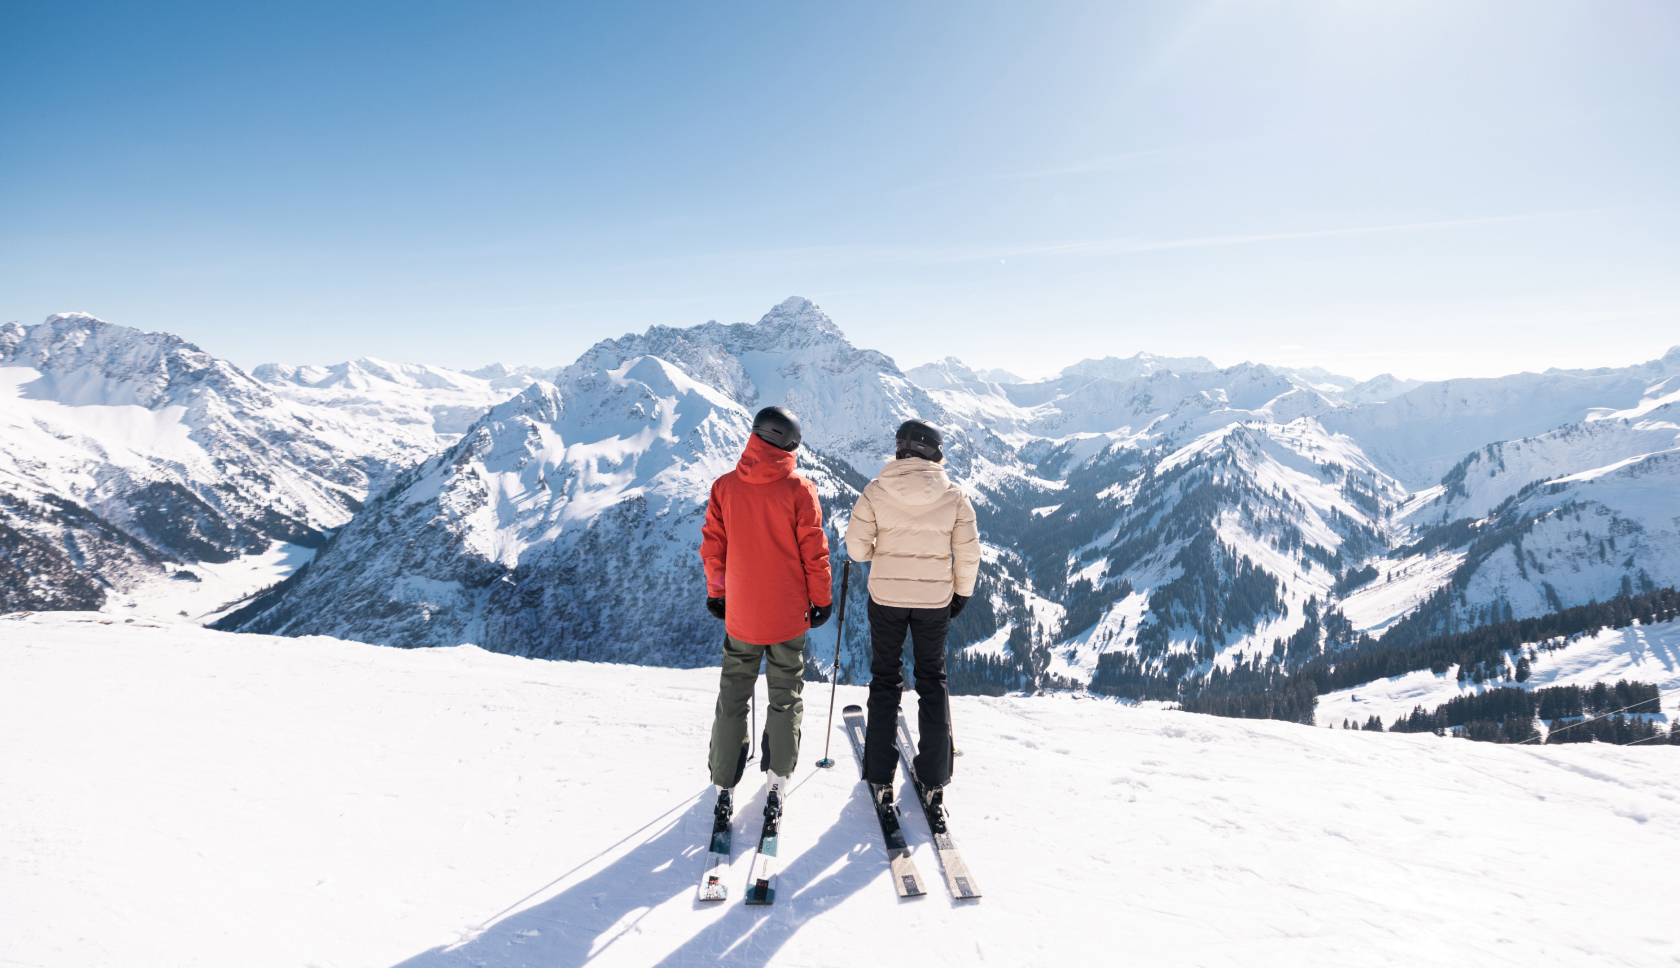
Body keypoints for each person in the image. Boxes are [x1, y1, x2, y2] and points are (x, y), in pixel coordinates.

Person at [699, 406, 833, 826]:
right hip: (787, 617)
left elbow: (713, 550)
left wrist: (718, 594)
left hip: (741, 615)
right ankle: (778, 778)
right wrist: (821, 600)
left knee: (733, 696)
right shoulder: (799, 489)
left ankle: (724, 782)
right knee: (785, 696)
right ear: (790, 444)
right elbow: (815, 553)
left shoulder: (724, 487)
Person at [845, 418, 980, 818]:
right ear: (934, 453)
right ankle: (934, 778)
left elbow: (855, 548)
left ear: (901, 450)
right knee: (932, 681)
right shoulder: (955, 496)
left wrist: (879, 559)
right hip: (934, 601)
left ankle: (879, 774)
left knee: (885, 680)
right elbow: (968, 554)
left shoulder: (875, 490)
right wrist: (960, 594)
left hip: (885, 597)